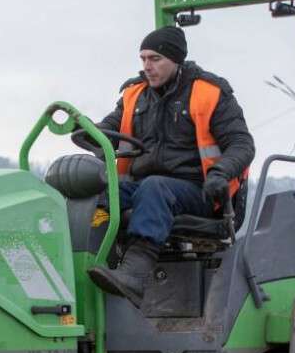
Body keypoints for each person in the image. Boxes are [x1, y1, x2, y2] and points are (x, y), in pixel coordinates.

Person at [86, 26, 255, 307]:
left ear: (175, 59)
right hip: (145, 190)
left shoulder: (210, 93)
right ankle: (92, 260)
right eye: (143, 59)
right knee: (98, 194)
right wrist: (89, 131)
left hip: (199, 192)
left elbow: (242, 144)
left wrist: (220, 173)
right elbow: (109, 127)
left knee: (155, 187)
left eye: (154, 59)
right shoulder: (134, 95)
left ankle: (135, 274)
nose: (147, 67)